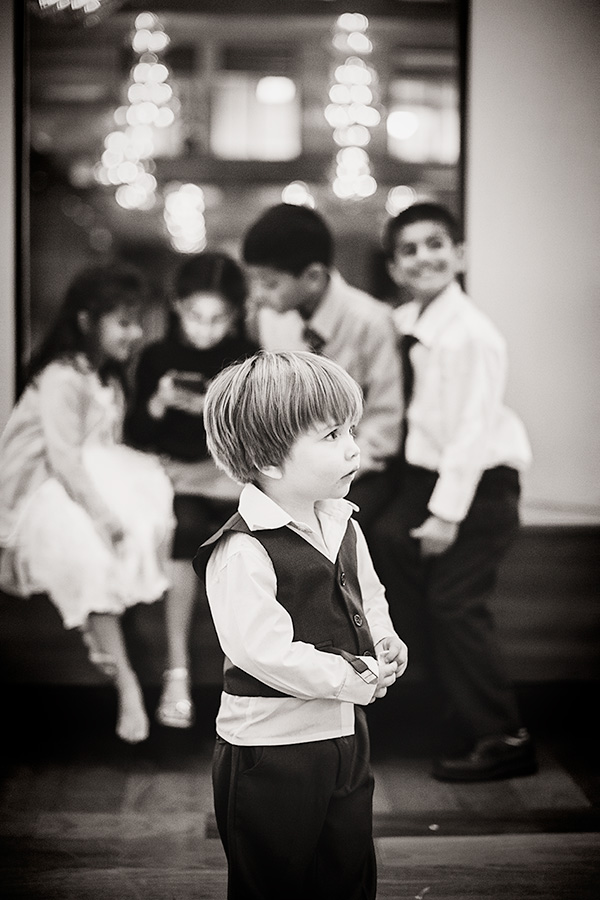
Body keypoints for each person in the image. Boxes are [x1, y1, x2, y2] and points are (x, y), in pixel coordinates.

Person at [192, 350, 408, 900]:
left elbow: (369, 597)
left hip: (344, 732)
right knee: (274, 880)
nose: (354, 447)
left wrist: (384, 640)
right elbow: (261, 651)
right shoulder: (242, 548)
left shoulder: (343, 524)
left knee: (348, 869)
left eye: (351, 430)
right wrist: (352, 676)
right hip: (270, 748)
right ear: (268, 458)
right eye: (332, 435)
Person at [370, 201, 536, 781]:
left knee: (453, 603)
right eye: (409, 250)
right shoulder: (403, 323)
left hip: (480, 483)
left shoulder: (472, 336)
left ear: (460, 254)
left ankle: (504, 735)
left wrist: (445, 515)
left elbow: (471, 433)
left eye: (436, 244)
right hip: (423, 476)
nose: (424, 258)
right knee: (385, 543)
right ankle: (437, 703)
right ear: (395, 267)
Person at [0, 264, 175, 744]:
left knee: (138, 534)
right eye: (123, 323)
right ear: (86, 321)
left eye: (138, 322)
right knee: (91, 556)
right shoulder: (62, 377)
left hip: (92, 477)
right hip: (44, 488)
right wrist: (103, 516)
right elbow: (65, 458)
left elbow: (107, 447)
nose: (134, 334)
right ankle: (126, 683)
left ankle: (114, 650)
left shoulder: (108, 379)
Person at [125, 251, 257, 729]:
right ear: (177, 307)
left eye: (218, 319)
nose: (205, 330)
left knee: (250, 541)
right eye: (196, 317)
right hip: (177, 480)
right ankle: (176, 671)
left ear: (235, 315)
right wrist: (160, 402)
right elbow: (136, 434)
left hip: (230, 478)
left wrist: (212, 407)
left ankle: (252, 677)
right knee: (184, 531)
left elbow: (256, 435)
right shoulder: (157, 357)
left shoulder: (247, 356)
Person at [242, 202, 403, 532]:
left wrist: (328, 469)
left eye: (269, 284)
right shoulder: (271, 319)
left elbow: (384, 424)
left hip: (358, 467)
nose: (257, 295)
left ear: (313, 277)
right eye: (254, 281)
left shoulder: (371, 322)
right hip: (293, 469)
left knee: (335, 527)